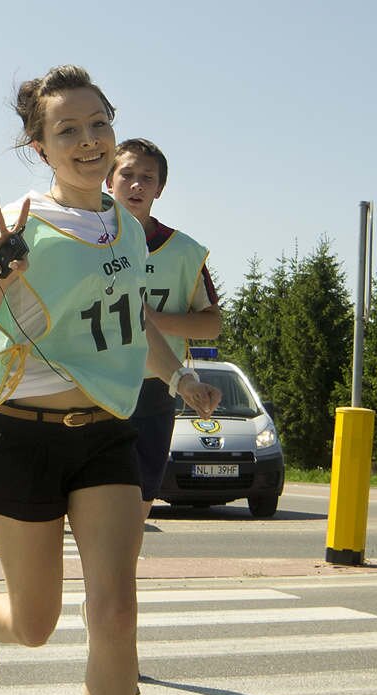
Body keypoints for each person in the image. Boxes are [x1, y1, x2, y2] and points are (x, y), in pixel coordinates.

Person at [0, 65, 220, 695]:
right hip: (19, 434)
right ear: (40, 146)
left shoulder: (125, 229)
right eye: (67, 130)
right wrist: (2, 270)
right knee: (34, 624)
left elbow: (135, 324)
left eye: (98, 123)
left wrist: (180, 377)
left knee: (116, 610)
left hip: (104, 432)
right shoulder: (23, 223)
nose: (89, 140)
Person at [106, 138, 222, 522]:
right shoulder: (83, 240)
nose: (136, 185)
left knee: (138, 504)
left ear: (160, 189)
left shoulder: (184, 251)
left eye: (147, 178)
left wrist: (150, 320)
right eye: (127, 174)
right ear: (108, 180)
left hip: (154, 387)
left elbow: (212, 323)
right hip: (92, 384)